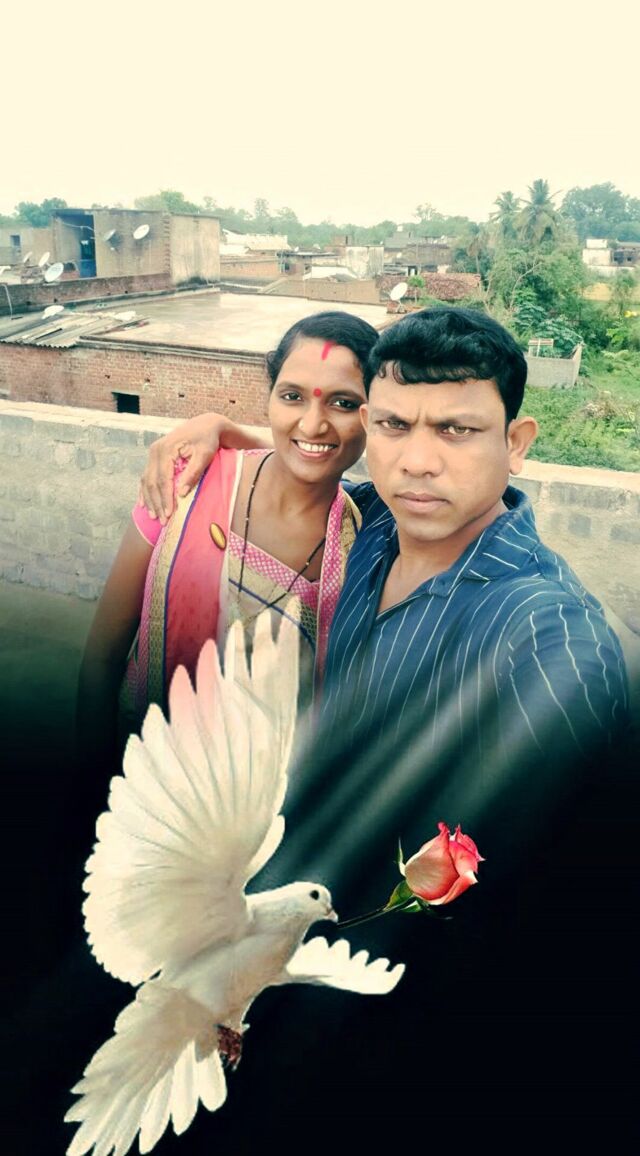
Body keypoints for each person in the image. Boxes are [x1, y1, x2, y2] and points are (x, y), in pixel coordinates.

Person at [76, 310, 379, 786]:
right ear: (269, 397)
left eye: (343, 403)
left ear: (373, 416)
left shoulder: (365, 544)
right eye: (292, 396)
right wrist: (93, 788)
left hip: (258, 805)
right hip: (143, 779)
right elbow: (102, 658)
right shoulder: (187, 484)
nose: (313, 423)